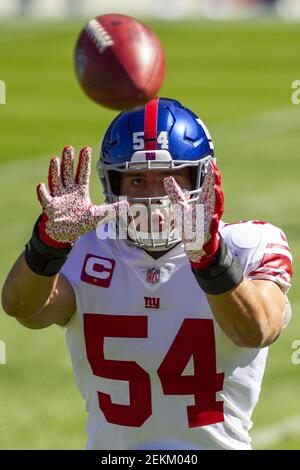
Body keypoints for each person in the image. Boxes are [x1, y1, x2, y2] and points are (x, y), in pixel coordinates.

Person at [2, 97, 292, 450]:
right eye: (137, 180)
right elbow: (24, 308)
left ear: (201, 179)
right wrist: (47, 244)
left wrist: (210, 258)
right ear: (113, 184)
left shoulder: (247, 244)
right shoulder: (87, 247)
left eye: (169, 179)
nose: (154, 197)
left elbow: (257, 330)